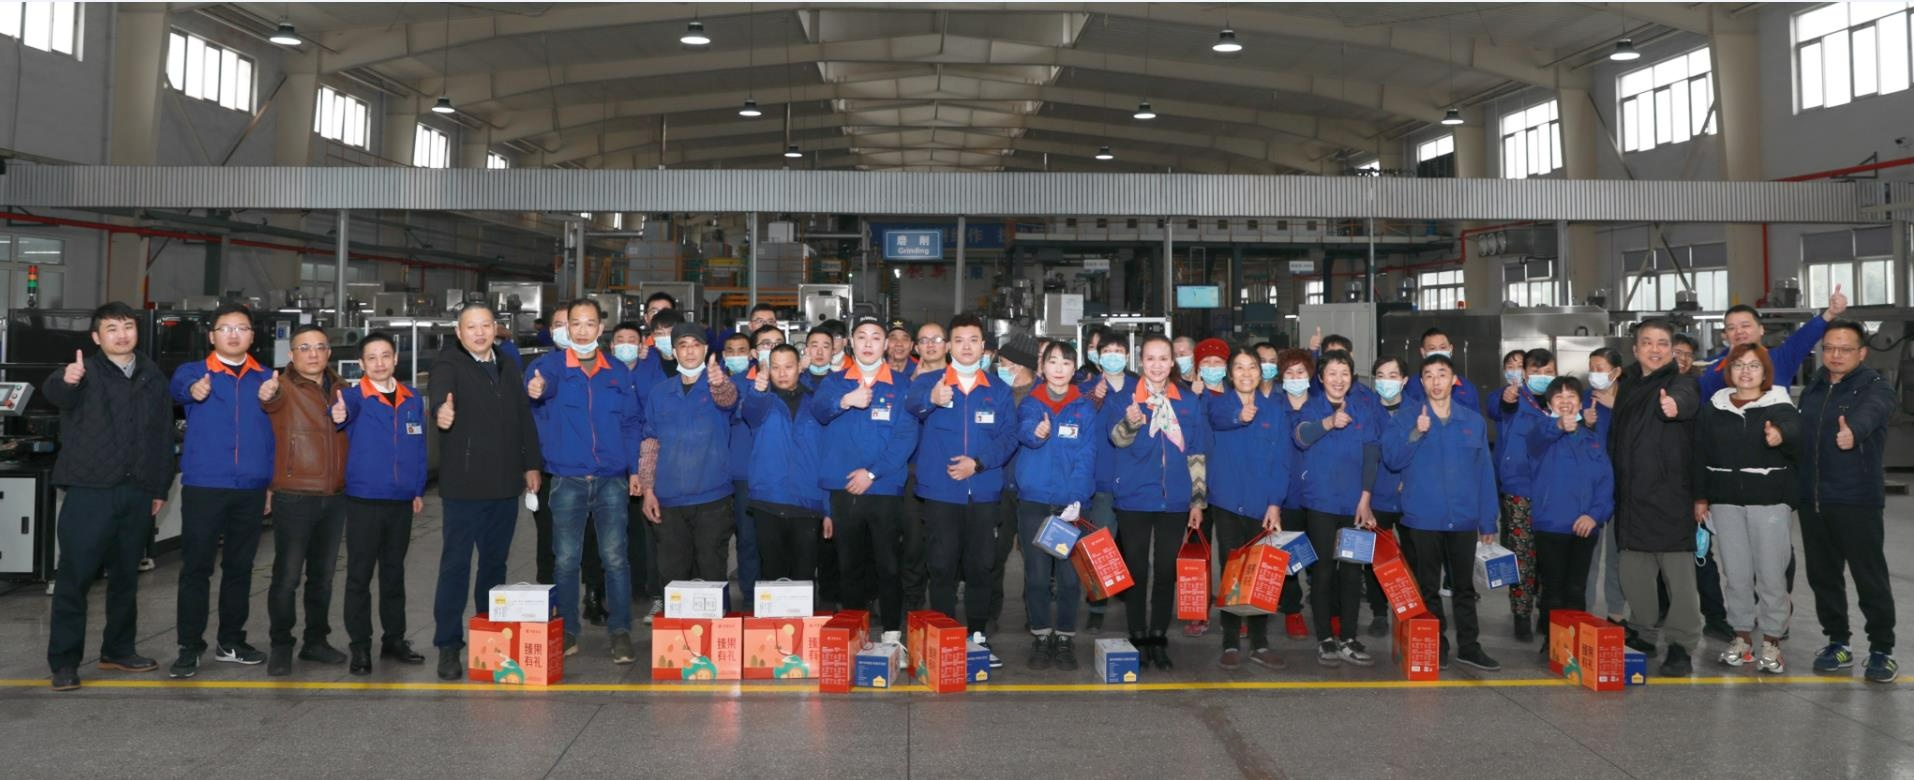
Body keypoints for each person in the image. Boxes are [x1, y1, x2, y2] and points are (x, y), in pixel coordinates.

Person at [43, 303, 176, 691]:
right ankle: (64, 662)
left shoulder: (152, 374)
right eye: (112, 328)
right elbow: (57, 393)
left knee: (126, 578)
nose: (122, 335)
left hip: (136, 491)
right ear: (96, 337)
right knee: (75, 578)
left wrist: (159, 487)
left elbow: (162, 434)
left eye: (128, 326)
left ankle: (118, 650)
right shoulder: (83, 371)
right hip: (90, 491)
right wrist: (67, 379)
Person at [429, 303, 544, 680]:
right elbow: (440, 392)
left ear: (496, 329)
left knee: (495, 566)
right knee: (456, 566)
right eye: (470, 327)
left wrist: (531, 464)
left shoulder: (507, 364)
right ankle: (448, 645)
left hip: (504, 484)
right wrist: (440, 410)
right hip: (464, 486)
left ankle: (489, 636)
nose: (479, 333)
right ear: (458, 333)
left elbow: (523, 417)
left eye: (485, 326)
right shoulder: (449, 363)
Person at [529, 299, 643, 662]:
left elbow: (631, 423)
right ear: (565, 329)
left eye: (589, 323)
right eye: (575, 324)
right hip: (568, 479)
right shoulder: (551, 366)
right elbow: (539, 387)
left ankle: (621, 631)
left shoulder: (617, 372)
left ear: (600, 328)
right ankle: (567, 631)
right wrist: (537, 387)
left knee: (615, 558)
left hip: (611, 480)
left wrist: (634, 470)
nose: (581, 330)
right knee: (565, 559)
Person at [168, 302, 275, 679]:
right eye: (225, 328)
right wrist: (192, 390)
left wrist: (270, 484)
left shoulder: (266, 378)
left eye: (241, 328)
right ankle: (189, 646)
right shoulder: (193, 372)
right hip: (205, 486)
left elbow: (274, 436)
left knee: (240, 568)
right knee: (196, 568)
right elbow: (178, 389)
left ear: (252, 336)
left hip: (251, 487)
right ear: (212, 336)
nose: (233, 334)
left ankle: (231, 641)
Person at [906, 315, 1018, 666]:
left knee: (981, 566)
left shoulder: (998, 389)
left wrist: (978, 463)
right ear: (948, 346)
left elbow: (1009, 437)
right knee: (941, 566)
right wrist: (932, 398)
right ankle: (944, 637)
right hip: (940, 493)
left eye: (973, 340)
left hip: (983, 492)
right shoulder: (929, 382)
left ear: (984, 346)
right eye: (959, 340)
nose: (966, 346)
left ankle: (978, 636)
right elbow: (912, 406)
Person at [1382, 354, 1501, 671]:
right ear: (1421, 382)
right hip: (1423, 517)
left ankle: (1469, 646)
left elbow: (1484, 473)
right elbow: (1392, 459)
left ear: (1453, 380)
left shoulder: (1472, 421)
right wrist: (1416, 433)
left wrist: (1487, 520)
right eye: (1429, 376)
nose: (1436, 382)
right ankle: (1437, 645)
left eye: (1442, 374)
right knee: (1428, 587)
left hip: (1463, 518)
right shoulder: (1406, 418)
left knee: (1464, 588)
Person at [1797, 320, 1899, 682]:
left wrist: (1853, 432)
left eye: (1845, 349)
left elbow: (1872, 413)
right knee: (1823, 577)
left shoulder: (1876, 387)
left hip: (1856, 499)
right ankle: (1837, 642)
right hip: (1813, 499)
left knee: (1869, 576)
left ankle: (1882, 649)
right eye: (1829, 348)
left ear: (1862, 353)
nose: (1835, 355)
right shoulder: (1814, 387)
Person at [811, 317, 921, 642]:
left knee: (888, 564)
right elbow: (819, 411)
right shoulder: (835, 382)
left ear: (885, 344)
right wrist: (845, 401)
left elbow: (905, 437)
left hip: (883, 488)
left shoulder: (903, 385)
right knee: (849, 565)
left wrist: (872, 473)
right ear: (850, 343)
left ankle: (891, 634)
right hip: (844, 488)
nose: (868, 343)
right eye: (861, 337)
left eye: (875, 337)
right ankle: (855, 634)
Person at [1108, 335, 1212, 671]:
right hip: (1135, 498)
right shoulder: (1125, 398)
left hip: (1176, 499)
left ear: (1172, 363)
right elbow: (1116, 440)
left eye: (1163, 358)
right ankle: (1138, 636)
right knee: (1137, 570)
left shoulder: (1187, 401)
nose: (1156, 365)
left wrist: (1197, 502)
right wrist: (1130, 422)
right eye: (1150, 359)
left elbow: (1196, 453)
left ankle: (1158, 636)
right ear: (1141, 362)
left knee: (1167, 571)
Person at [1694, 343, 1798, 674]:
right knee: (1736, 574)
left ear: (1765, 371)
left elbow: (1797, 432)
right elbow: (1699, 452)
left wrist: (1780, 435)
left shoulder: (1778, 403)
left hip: (1769, 502)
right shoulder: (1715, 406)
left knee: (1771, 574)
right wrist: (1700, 497)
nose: (1746, 372)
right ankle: (1741, 637)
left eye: (1754, 365)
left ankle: (1772, 640)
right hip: (1725, 502)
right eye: (1739, 365)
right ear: (1729, 370)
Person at [1607, 319, 1702, 677]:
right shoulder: (1629, 384)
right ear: (1636, 349)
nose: (1655, 349)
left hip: (1670, 497)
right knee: (1635, 575)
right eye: (1647, 342)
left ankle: (1681, 645)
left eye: (1662, 343)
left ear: (1672, 350)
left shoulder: (1681, 382)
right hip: (1631, 498)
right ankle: (1643, 632)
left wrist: (1675, 406)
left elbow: (1686, 400)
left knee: (1679, 580)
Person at [258, 324, 351, 676]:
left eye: (320, 347)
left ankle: (316, 641)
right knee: (287, 576)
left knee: (323, 577)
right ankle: (281, 644)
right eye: (304, 348)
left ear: (329, 352)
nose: (313, 354)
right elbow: (269, 401)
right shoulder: (281, 387)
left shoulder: (342, 389)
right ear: (291, 355)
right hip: (295, 495)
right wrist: (267, 393)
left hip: (335, 497)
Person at [335, 333, 429, 675]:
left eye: (385, 355)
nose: (379, 363)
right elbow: (340, 414)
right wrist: (337, 412)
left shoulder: (411, 398)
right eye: (371, 358)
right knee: (359, 576)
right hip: (364, 500)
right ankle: (360, 646)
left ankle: (394, 639)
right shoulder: (353, 397)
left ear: (395, 358)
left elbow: (419, 447)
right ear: (361, 363)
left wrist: (417, 489)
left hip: (401, 501)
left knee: (394, 573)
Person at [1293, 349, 1382, 666]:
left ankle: (1348, 636)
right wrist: (1329, 422)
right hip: (1321, 504)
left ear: (1352, 378)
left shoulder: (1363, 410)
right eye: (1332, 373)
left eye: (1344, 373)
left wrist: (1366, 498)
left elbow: (1371, 455)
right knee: (1323, 573)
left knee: (1352, 573)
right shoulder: (1311, 407)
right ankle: (1325, 638)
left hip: (1354, 505)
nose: (1338, 379)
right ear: (1320, 378)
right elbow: (1301, 437)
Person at [637, 328, 739, 604]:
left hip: (713, 499)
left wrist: (719, 383)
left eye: (696, 344)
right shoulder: (660, 393)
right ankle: (676, 629)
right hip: (669, 499)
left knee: (712, 570)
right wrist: (648, 490)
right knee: (672, 575)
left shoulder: (718, 384)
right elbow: (650, 442)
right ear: (674, 352)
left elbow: (728, 399)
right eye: (683, 345)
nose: (690, 350)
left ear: (706, 350)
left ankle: (717, 628)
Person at [1013, 341, 1098, 670]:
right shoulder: (1032, 402)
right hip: (1034, 502)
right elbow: (1025, 431)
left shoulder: (1084, 408)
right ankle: (1041, 635)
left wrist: (1077, 499)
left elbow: (1087, 457)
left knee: (1069, 579)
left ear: (1074, 369)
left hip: (1070, 506)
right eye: (1052, 361)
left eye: (1066, 362)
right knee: (1036, 577)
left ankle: (1064, 637)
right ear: (1042, 367)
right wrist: (1038, 433)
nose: (1059, 368)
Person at [1205, 346, 1289, 670]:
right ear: (1230, 374)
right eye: (1239, 367)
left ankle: (1259, 642)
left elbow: (1282, 461)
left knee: (1259, 574)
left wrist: (1275, 504)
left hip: (1261, 505)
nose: (1246, 373)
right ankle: (1229, 641)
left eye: (1252, 366)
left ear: (1261, 371)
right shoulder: (1218, 405)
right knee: (1232, 572)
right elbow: (1218, 420)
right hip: (1227, 502)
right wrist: (1239, 417)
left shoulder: (1275, 411)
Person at [1524, 376, 1613, 655]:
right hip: (1551, 525)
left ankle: (1575, 644)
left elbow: (1606, 483)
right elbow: (1537, 440)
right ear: (1550, 403)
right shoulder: (1540, 432)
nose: (1565, 401)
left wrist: (1594, 516)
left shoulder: (1592, 439)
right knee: (1553, 588)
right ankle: (1553, 644)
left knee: (1577, 588)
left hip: (1585, 526)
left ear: (1580, 401)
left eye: (1571, 396)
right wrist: (1559, 426)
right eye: (1559, 397)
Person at [742, 344, 831, 584]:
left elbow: (825, 457)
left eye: (788, 367)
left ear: (800, 368)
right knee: (772, 576)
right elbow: (750, 412)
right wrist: (758, 391)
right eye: (776, 367)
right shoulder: (762, 401)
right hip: (768, 500)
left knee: (804, 576)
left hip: (807, 501)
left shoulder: (816, 402)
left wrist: (828, 509)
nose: (782, 373)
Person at [1493, 348, 1556, 643]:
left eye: (1548, 372)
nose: (1542, 377)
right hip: (1520, 489)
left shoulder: (1562, 400)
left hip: (1553, 490)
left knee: (1549, 554)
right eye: (1536, 371)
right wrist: (1507, 399)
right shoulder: (1515, 398)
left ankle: (1546, 611)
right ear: (1525, 373)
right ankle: (1521, 613)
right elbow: (1500, 407)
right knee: (1521, 554)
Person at [1078, 334, 1135, 634]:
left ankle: (1134, 602)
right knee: (1099, 545)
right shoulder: (1086, 389)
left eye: (1119, 351)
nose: (1113, 355)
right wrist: (1093, 398)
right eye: (1108, 351)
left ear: (1127, 355)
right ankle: (1096, 606)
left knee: (1135, 547)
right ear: (1098, 358)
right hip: (1101, 480)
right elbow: (1078, 424)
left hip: (1136, 480)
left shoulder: (1140, 386)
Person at [985, 333, 1040, 636]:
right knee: (994, 555)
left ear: (1019, 365)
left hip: (1032, 488)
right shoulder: (994, 392)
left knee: (1035, 559)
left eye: (1004, 362)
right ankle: (990, 613)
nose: (1000, 367)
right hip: (999, 486)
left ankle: (1036, 616)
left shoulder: (1044, 394)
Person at [609, 323, 660, 625]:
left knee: (649, 529)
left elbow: (647, 413)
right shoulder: (604, 371)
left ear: (642, 345)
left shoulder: (651, 369)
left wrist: (638, 467)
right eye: (620, 340)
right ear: (611, 345)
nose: (626, 345)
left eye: (632, 340)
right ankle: (620, 589)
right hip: (611, 461)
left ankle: (651, 588)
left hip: (646, 458)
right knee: (615, 529)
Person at [526, 301, 572, 587]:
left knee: (592, 538)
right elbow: (527, 420)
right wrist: (530, 465)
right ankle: (547, 593)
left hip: (588, 469)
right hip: (548, 467)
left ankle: (593, 595)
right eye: (558, 325)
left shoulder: (600, 366)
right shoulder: (538, 368)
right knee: (548, 535)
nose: (565, 330)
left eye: (571, 323)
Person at [1274, 348, 1316, 639]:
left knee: (1320, 558)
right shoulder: (1274, 408)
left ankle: (1328, 610)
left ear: (1310, 375)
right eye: (1289, 372)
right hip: (1287, 494)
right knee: (1288, 559)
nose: (1295, 377)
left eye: (1300, 372)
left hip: (1319, 495)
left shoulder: (1322, 407)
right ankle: (1292, 611)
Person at [1583, 347, 1626, 624]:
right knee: (1589, 552)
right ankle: (1584, 610)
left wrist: (1617, 408)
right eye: (1591, 368)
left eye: (1600, 368)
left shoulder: (1630, 398)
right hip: (1592, 486)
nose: (1594, 374)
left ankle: (1616, 611)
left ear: (1616, 372)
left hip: (1624, 484)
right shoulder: (1586, 398)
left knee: (1617, 554)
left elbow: (1639, 432)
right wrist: (1584, 423)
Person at [719, 332, 760, 603]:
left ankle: (750, 594)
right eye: (730, 350)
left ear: (751, 354)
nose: (736, 355)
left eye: (741, 350)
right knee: (715, 541)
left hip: (746, 472)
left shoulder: (758, 382)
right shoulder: (714, 381)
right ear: (723, 355)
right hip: (717, 473)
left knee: (748, 538)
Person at [1401, 327, 1481, 414]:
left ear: (1450, 349)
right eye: (1432, 348)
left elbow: (1475, 420)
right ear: (1423, 352)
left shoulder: (1468, 388)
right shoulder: (1410, 387)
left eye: (1442, 347)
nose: (1438, 352)